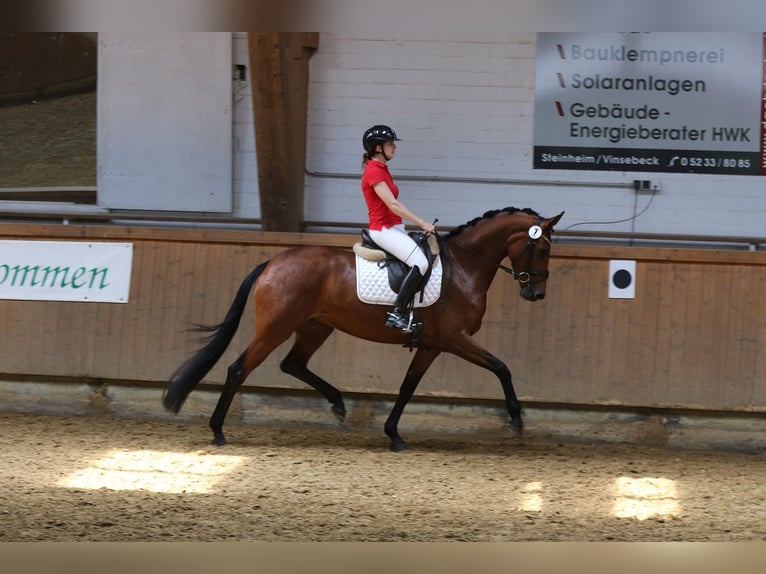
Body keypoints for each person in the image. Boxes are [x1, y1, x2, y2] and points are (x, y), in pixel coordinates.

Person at [361, 124, 436, 331]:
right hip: (383, 230)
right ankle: (397, 313)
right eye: (390, 144)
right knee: (420, 263)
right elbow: (392, 205)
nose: (394, 147)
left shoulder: (382, 169)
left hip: (394, 228)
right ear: (378, 148)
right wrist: (422, 223)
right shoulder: (373, 172)